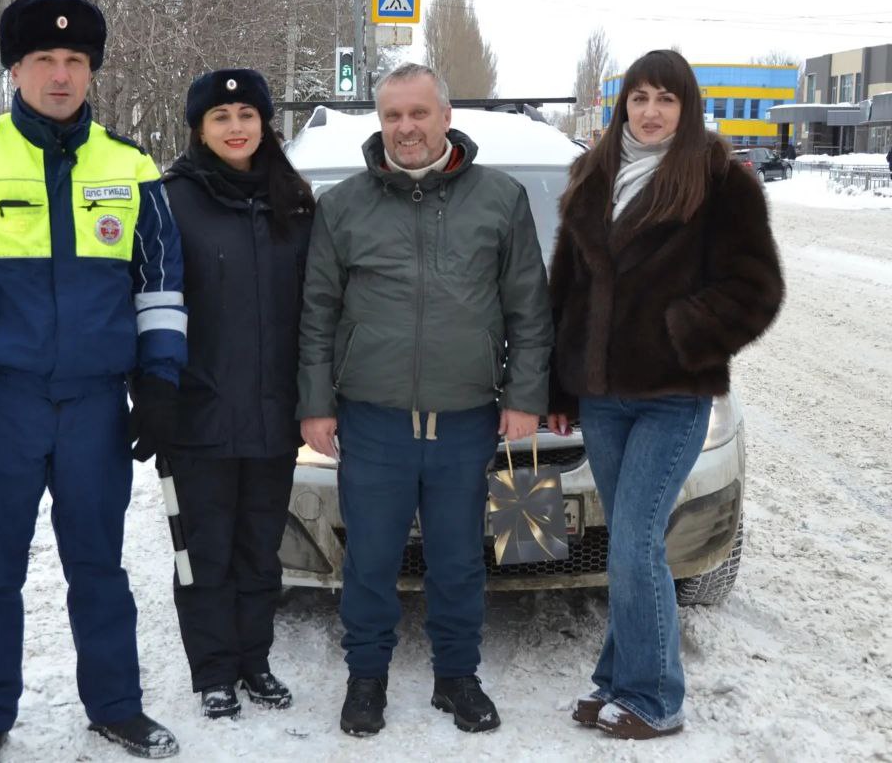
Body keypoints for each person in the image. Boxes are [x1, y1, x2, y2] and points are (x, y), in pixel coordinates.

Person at [0, 0, 186, 762]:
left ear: (91, 70)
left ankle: (117, 706)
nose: (60, 75)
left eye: (74, 60)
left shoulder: (131, 167)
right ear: (14, 69)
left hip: (96, 405)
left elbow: (160, 286)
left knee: (99, 567)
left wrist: (160, 383)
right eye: (43, 59)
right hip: (2, 403)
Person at [297, 63, 553, 737]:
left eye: (418, 113)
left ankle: (457, 676)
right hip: (372, 419)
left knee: (459, 560)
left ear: (445, 117)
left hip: (466, 419)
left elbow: (528, 307)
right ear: (380, 122)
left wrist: (524, 395)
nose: (405, 128)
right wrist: (316, 404)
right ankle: (366, 677)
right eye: (393, 116)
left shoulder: (499, 198)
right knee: (371, 559)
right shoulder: (343, 206)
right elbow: (317, 313)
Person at [546, 49, 784, 740]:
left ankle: (655, 697)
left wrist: (681, 334)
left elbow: (757, 289)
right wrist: (559, 382)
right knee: (627, 540)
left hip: (672, 396)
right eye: (640, 97)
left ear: (688, 108)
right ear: (623, 104)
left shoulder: (719, 181)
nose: (651, 112)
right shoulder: (593, 175)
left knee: (636, 539)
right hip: (602, 399)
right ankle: (615, 679)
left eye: (667, 99)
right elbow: (567, 290)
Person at [160, 69, 315, 719]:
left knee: (259, 549)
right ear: (199, 129)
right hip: (197, 416)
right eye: (220, 117)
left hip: (275, 416)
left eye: (247, 114)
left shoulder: (295, 201)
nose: (235, 127)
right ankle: (213, 671)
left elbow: (315, 308)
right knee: (203, 552)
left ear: (264, 123)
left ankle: (255, 661)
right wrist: (156, 393)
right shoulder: (171, 200)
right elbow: (151, 302)